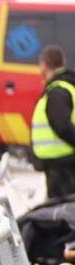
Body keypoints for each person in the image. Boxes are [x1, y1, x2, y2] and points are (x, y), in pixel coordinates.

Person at [32, 45, 75, 199]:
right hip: (60, 164)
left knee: (63, 210)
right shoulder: (62, 88)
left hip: (63, 165)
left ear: (44, 64)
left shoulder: (57, 91)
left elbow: (62, 126)